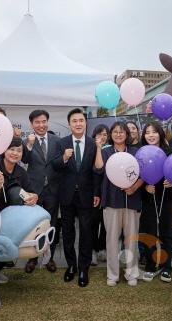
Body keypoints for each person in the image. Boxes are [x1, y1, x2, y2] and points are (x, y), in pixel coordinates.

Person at [0, 137, 39, 308]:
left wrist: (34, 197)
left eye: (19, 150)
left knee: (11, 246)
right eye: (12, 149)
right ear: (4, 150)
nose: (15, 153)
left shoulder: (21, 172)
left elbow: (30, 191)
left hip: (12, 220)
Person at [52, 108, 100, 287]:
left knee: (87, 233)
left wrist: (96, 193)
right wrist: (64, 157)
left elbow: (96, 171)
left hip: (87, 195)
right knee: (68, 232)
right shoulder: (61, 142)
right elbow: (55, 165)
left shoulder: (92, 143)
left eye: (81, 120)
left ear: (85, 122)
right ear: (69, 124)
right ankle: (71, 265)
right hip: (66, 195)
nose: (78, 123)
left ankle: (83, 268)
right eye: (74, 121)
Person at [94, 121, 143, 286]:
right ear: (110, 134)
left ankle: (131, 273)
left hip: (132, 199)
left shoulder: (136, 152)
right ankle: (112, 275)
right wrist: (99, 148)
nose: (118, 134)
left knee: (131, 239)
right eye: (115, 131)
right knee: (112, 239)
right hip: (111, 200)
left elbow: (144, 173)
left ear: (127, 134)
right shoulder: (106, 151)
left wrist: (135, 186)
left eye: (122, 131)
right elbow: (99, 169)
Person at [21, 109, 62, 273]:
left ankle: (49, 258)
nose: (41, 125)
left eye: (43, 121)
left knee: (51, 223)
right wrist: (29, 145)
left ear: (47, 122)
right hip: (34, 189)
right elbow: (24, 159)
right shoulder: (27, 141)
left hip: (52, 189)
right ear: (32, 124)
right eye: (37, 122)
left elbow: (60, 163)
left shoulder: (56, 140)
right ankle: (32, 258)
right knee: (35, 224)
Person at [139, 121, 172, 283]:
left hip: (166, 197)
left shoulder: (169, 152)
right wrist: (145, 187)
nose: (151, 135)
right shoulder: (140, 153)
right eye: (147, 132)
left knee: (166, 233)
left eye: (154, 132)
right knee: (150, 232)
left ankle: (167, 267)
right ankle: (151, 265)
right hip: (148, 197)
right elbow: (135, 175)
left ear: (160, 133)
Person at [90, 123, 109, 266]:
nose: (102, 137)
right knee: (93, 222)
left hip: (108, 192)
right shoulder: (90, 149)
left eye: (105, 135)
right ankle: (92, 251)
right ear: (94, 135)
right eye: (99, 134)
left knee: (105, 224)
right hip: (93, 191)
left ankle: (102, 249)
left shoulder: (111, 151)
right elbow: (96, 172)